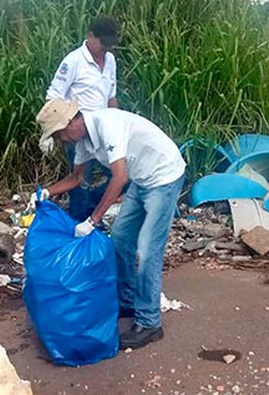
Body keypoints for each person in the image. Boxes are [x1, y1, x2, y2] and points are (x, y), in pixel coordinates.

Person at [34, 98, 186, 350]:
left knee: (147, 251)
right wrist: (46, 192)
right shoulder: (82, 141)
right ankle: (127, 300)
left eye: (60, 134)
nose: (62, 140)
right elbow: (77, 177)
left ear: (72, 122)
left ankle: (150, 322)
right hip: (141, 178)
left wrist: (93, 220)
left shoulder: (107, 124)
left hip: (163, 176)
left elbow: (119, 178)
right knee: (120, 238)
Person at [44, 15, 119, 221]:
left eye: (109, 45)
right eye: (103, 44)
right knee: (80, 181)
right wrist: (55, 129)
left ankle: (94, 213)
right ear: (90, 36)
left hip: (104, 131)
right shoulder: (73, 61)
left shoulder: (110, 60)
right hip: (77, 131)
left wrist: (117, 122)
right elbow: (54, 95)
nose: (106, 49)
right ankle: (78, 223)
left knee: (119, 175)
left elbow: (111, 94)